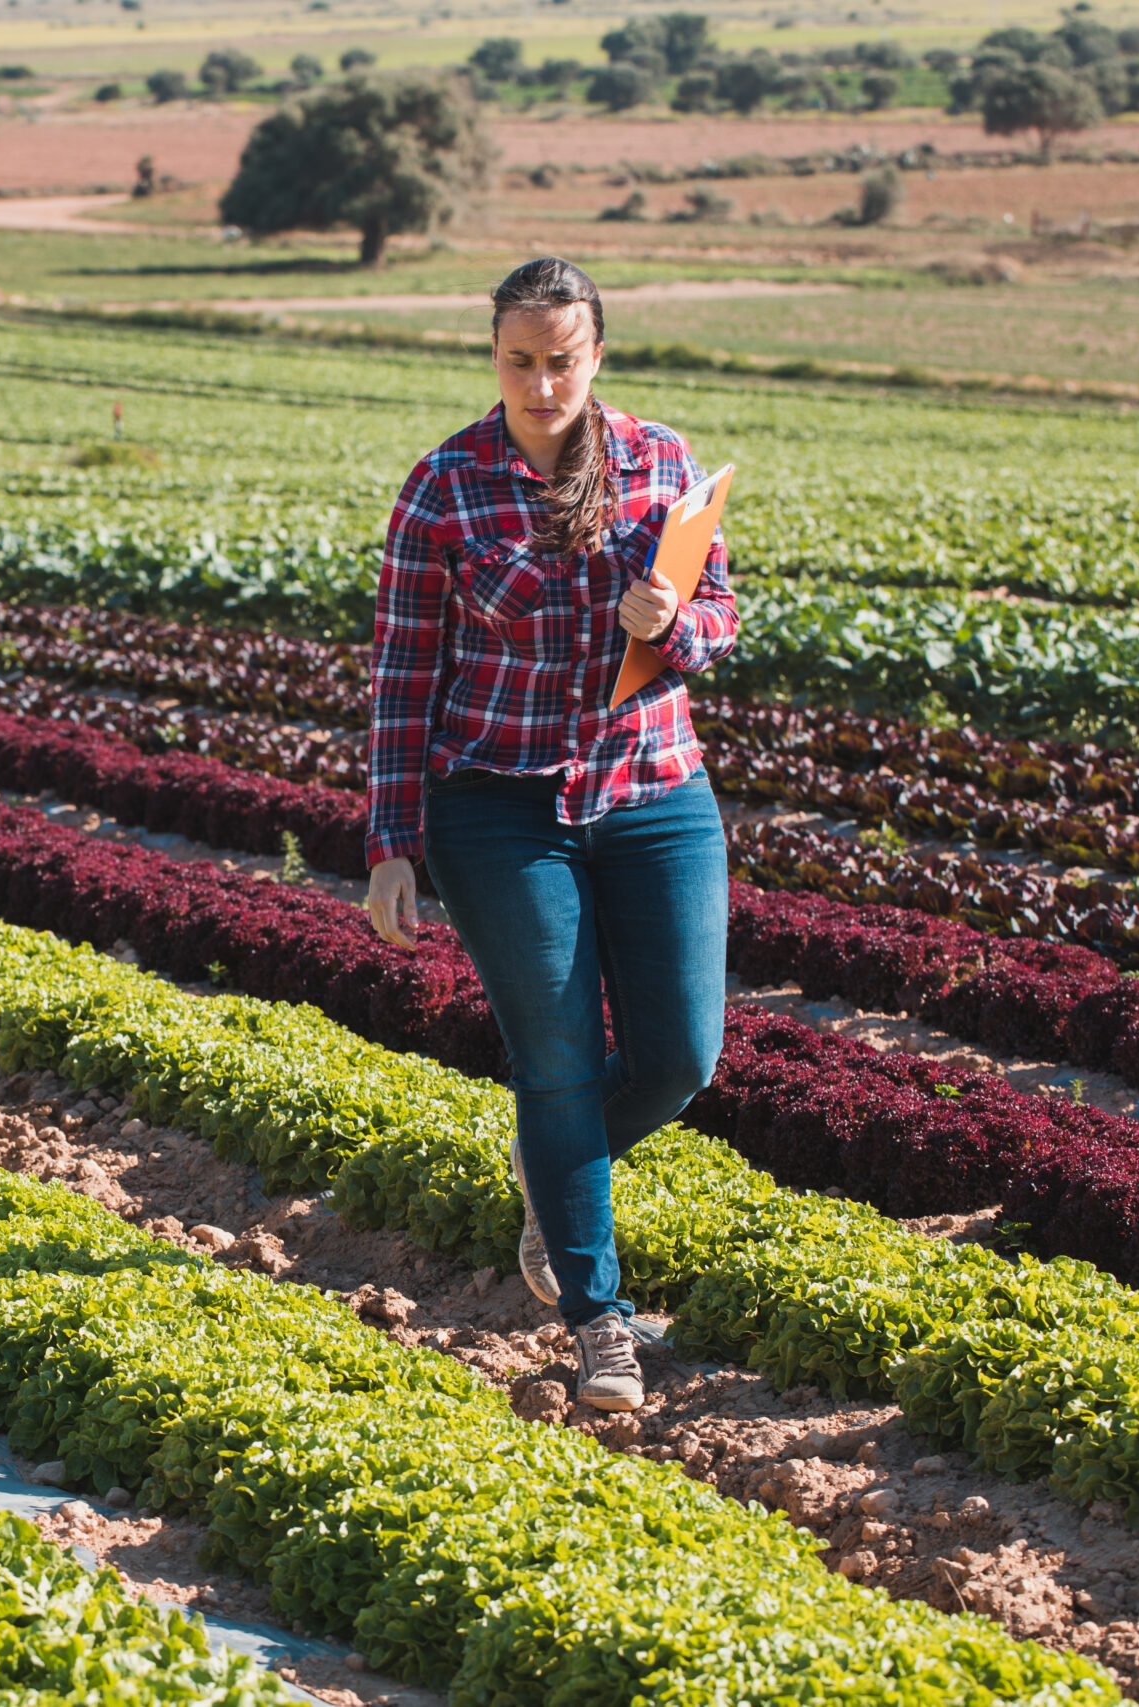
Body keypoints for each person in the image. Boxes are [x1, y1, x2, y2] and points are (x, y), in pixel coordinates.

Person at [361, 256, 736, 1414]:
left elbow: (720, 616)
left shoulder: (660, 462)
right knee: (559, 1059)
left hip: (654, 792)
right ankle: (599, 1323)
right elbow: (402, 675)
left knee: (679, 1058)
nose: (540, 380)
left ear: (595, 356)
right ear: (494, 357)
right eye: (518, 359)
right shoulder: (445, 488)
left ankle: (549, 1159)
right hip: (499, 804)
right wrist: (390, 840)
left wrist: (675, 628)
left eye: (560, 358)